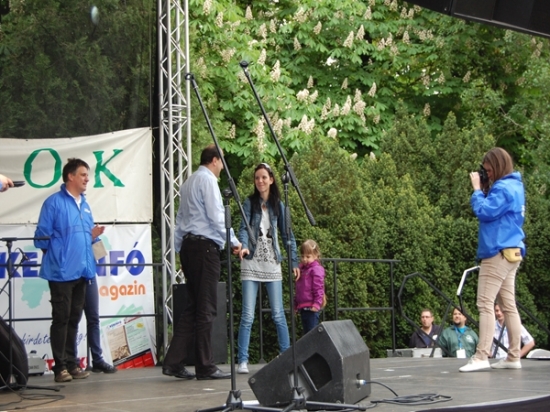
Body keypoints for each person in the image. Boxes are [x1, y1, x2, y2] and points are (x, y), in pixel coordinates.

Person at [162, 144, 241, 380]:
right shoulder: (208, 181)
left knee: (194, 306)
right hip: (205, 248)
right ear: (215, 160)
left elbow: (180, 219)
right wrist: (234, 241)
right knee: (206, 307)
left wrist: (180, 249)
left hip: (189, 246)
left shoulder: (188, 183)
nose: (222, 167)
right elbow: (216, 216)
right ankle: (205, 366)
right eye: (222, 161)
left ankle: (173, 361)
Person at [34, 158, 105, 383]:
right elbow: (42, 238)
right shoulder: (53, 203)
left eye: (87, 175)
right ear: (70, 177)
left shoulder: (85, 205)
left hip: (83, 271)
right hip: (61, 272)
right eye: (83, 174)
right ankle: (60, 368)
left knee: (74, 318)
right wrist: (60, 256)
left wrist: (92, 236)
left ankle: (72, 364)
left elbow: (83, 236)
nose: (87, 179)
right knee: (61, 319)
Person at [459, 147, 526, 372]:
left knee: (484, 303)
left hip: (496, 252)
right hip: (512, 251)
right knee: (508, 305)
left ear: (497, 166)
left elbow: (484, 211)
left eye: (488, 170)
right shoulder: (515, 186)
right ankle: (514, 356)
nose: (487, 174)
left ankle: (481, 356)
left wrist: (477, 190)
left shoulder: (503, 188)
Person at [236, 163, 299, 374]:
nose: (260, 181)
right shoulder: (249, 203)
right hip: (252, 262)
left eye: (264, 177)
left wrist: (294, 261)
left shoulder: (279, 205)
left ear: (271, 179)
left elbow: (288, 235)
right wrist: (244, 246)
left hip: (272, 264)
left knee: (278, 314)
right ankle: (242, 360)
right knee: (247, 315)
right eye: (257, 178)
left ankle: (286, 356)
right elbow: (243, 228)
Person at [82, 276, 117, 373]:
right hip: (73, 276)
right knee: (73, 321)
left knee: (94, 320)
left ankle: (97, 360)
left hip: (89, 277)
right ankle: (73, 363)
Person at [294, 239, 326, 335]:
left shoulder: (316, 269)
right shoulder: (302, 270)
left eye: (308, 256)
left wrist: (317, 304)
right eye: (302, 256)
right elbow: (299, 289)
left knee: (312, 334)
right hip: (303, 307)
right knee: (307, 334)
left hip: (311, 307)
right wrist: (296, 304)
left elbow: (319, 288)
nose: (304, 259)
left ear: (316, 256)